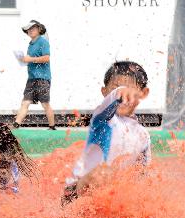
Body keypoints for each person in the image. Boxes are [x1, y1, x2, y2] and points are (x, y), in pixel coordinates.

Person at [63, 61, 151, 204]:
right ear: (104, 92)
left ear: (143, 93)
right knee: (103, 173)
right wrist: (119, 93)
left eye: (130, 90)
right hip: (76, 193)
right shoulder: (102, 119)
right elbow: (110, 103)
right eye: (116, 88)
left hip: (109, 196)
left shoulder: (143, 135)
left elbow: (142, 172)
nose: (124, 97)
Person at [14, 20, 56, 130]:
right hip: (31, 78)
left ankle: (52, 127)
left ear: (39, 29)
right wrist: (23, 60)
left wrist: (30, 59)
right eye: (28, 29)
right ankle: (15, 125)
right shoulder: (30, 44)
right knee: (25, 103)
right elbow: (30, 60)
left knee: (45, 104)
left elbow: (46, 58)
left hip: (42, 78)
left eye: (33, 28)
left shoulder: (43, 42)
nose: (30, 31)